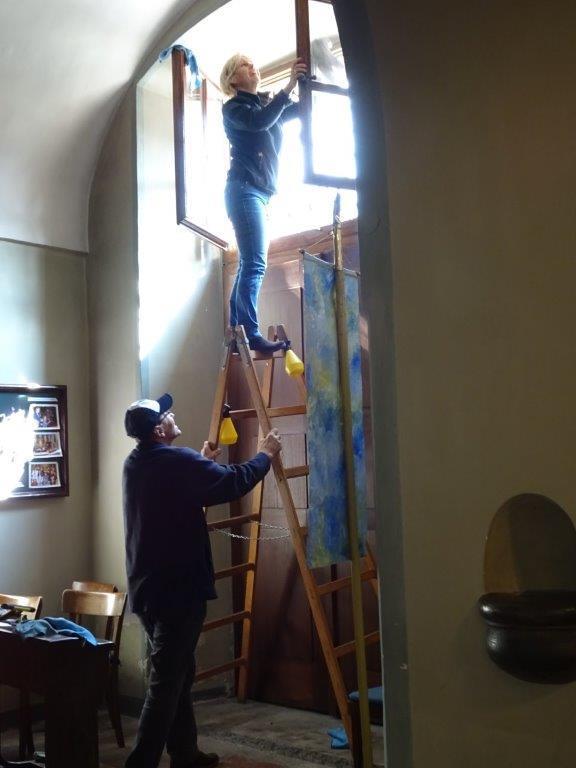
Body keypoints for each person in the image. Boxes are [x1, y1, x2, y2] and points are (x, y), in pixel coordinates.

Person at [122, 393, 282, 768]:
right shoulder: (176, 462)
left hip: (148, 590)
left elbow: (174, 492)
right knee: (166, 683)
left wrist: (200, 463)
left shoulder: (137, 462)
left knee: (176, 674)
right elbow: (232, 482)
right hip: (177, 592)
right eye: (165, 414)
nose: (172, 414)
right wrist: (265, 454)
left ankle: (185, 753)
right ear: (159, 430)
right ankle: (141, 763)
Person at [220, 54, 307, 355]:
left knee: (249, 262)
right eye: (244, 65)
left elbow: (294, 111)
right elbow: (259, 122)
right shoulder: (234, 109)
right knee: (255, 263)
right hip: (244, 189)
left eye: (251, 62)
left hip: (257, 192)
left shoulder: (266, 105)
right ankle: (251, 334)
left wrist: (307, 85)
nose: (252, 66)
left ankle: (237, 333)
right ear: (233, 80)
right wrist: (288, 87)